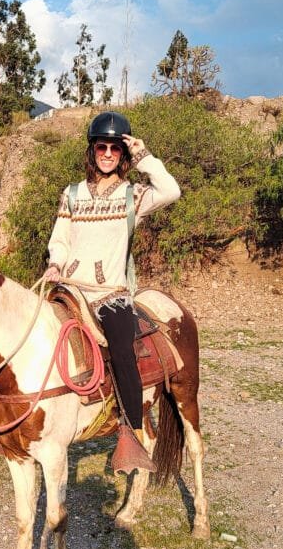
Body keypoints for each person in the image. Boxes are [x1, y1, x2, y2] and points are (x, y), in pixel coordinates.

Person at [43, 111, 181, 474]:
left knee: (122, 349)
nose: (107, 153)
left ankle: (131, 430)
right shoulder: (71, 194)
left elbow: (171, 190)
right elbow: (60, 238)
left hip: (108, 294)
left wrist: (143, 154)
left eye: (115, 148)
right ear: (92, 152)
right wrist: (55, 264)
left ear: (122, 154)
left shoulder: (131, 195)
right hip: (69, 287)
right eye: (101, 146)